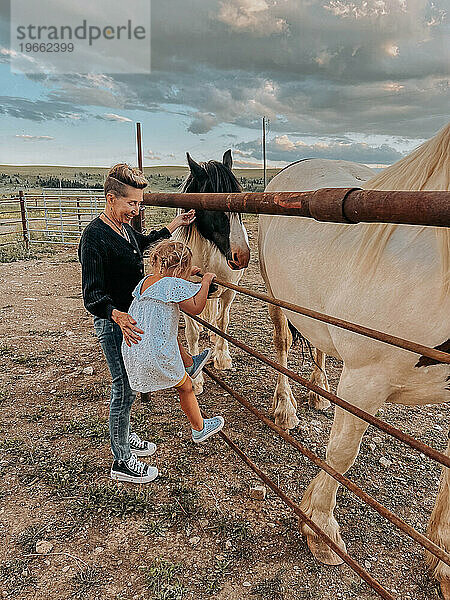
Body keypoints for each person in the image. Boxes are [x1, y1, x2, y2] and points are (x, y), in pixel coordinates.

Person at [78, 164, 211, 484]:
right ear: (111, 199)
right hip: (115, 324)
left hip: (133, 319)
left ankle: (125, 436)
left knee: (131, 381)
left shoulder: (123, 229)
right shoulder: (94, 238)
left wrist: (176, 223)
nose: (136, 210)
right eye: (131, 204)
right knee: (123, 388)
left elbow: (145, 242)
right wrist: (116, 315)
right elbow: (92, 294)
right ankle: (122, 460)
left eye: (139, 204)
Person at [121, 240, 224, 480]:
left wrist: (189, 273)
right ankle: (199, 428)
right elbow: (196, 307)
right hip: (158, 353)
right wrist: (206, 280)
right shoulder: (171, 284)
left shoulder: (145, 282)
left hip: (136, 347)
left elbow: (169, 284)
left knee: (168, 333)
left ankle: (189, 362)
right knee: (186, 387)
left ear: (156, 261)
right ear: (180, 271)